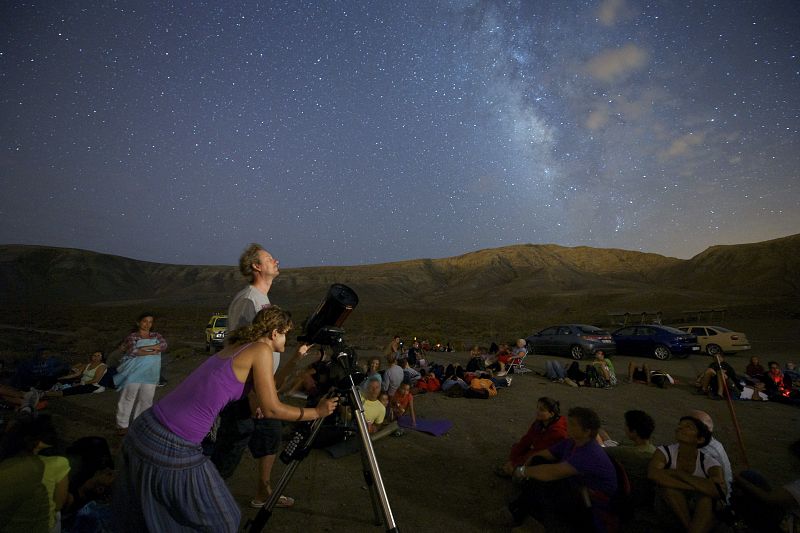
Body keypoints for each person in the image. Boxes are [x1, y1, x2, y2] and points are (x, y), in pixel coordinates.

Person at [113, 305, 338, 532]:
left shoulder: (241, 347)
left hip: (148, 428)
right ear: (274, 333)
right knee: (224, 518)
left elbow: (272, 387)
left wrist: (295, 359)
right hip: (172, 442)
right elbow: (271, 408)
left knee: (155, 519)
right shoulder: (261, 350)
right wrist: (317, 413)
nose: (287, 338)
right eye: (286, 333)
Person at [210, 243, 305, 510]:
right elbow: (242, 348)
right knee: (231, 446)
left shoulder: (264, 301)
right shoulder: (248, 300)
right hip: (244, 391)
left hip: (262, 389)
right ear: (256, 266)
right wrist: (255, 396)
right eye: (268, 258)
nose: (276, 260)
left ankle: (263, 491)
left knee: (271, 435)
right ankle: (204, 498)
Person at [505, 407, 617, 530]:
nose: (568, 426)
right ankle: (521, 510)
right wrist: (528, 463)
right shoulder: (572, 442)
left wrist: (522, 471)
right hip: (577, 486)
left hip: (590, 504)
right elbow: (545, 454)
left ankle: (523, 513)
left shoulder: (590, 453)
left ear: (587, 432)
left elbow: (552, 472)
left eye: (573, 425)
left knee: (542, 482)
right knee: (538, 465)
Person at [648, 416, 726, 533]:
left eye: (688, 427)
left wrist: (678, 474)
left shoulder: (710, 462)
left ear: (700, 439)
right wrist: (699, 486)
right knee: (669, 489)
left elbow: (719, 490)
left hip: (698, 508)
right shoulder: (664, 452)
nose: (679, 428)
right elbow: (654, 474)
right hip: (669, 508)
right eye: (680, 425)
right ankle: (690, 528)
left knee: (707, 500)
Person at [113, 312, 167, 435]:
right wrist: (152, 350)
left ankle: (139, 423)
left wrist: (143, 349)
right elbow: (133, 351)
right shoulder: (133, 336)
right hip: (134, 372)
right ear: (138, 322)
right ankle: (122, 425)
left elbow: (163, 346)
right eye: (144, 321)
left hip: (150, 372)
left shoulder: (156, 335)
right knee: (128, 397)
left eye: (150, 322)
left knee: (146, 399)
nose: (147, 324)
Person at [496, 397, 567, 477]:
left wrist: (515, 464)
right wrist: (512, 459)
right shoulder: (540, 423)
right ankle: (513, 469)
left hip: (553, 460)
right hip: (539, 451)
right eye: (537, 408)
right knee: (517, 448)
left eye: (542, 410)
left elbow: (538, 451)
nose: (537, 412)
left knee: (534, 461)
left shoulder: (557, 432)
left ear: (552, 414)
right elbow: (526, 440)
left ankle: (515, 472)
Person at [606, 410, 656, 508]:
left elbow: (600, 451)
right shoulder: (650, 448)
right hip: (640, 492)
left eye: (626, 425)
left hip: (628, 494)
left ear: (634, 432)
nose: (624, 428)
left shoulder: (630, 452)